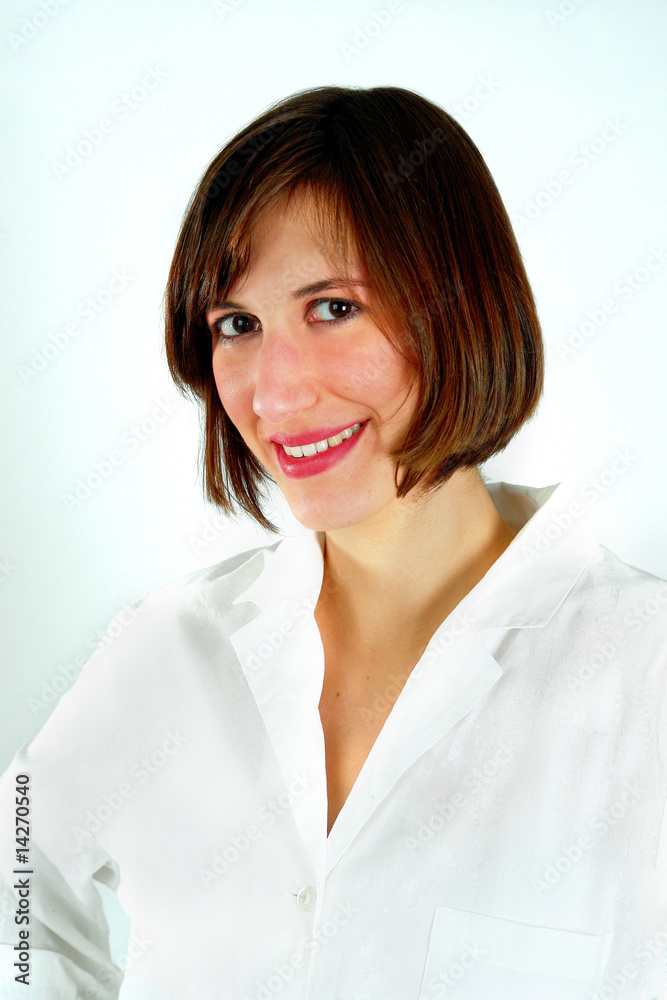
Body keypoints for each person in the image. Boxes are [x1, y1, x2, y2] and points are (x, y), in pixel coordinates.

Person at [1, 84, 665, 1000]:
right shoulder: (168, 647)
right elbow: (21, 861)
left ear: (463, 304)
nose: (274, 394)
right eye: (237, 325)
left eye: (332, 308)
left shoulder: (641, 671)